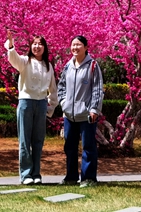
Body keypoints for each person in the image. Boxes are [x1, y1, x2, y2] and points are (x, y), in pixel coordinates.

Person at [5, 31, 58, 185]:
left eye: (40, 44)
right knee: (24, 140)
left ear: (44, 47)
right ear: (30, 46)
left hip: (41, 103)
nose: (37, 46)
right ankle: (26, 174)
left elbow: (53, 88)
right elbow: (13, 59)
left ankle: (36, 173)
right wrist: (11, 44)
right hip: (26, 102)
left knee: (38, 140)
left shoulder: (48, 66)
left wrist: (51, 106)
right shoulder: (25, 62)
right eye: (34, 44)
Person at [56, 35, 104, 188]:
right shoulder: (67, 66)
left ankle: (88, 178)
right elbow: (61, 87)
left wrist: (94, 109)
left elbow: (97, 89)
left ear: (86, 47)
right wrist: (64, 103)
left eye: (78, 45)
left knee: (88, 146)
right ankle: (70, 177)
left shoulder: (93, 66)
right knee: (69, 146)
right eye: (73, 45)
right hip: (69, 114)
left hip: (87, 114)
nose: (75, 48)